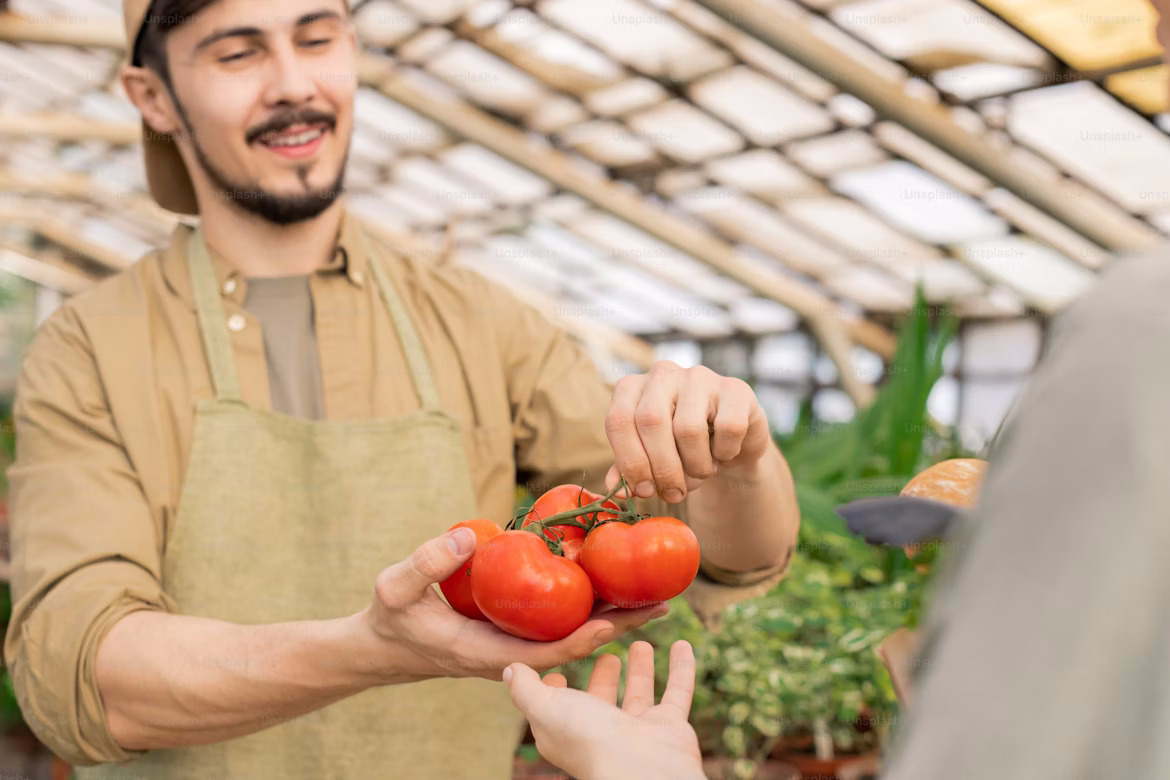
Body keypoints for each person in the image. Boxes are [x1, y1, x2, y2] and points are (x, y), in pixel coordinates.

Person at [2, 1, 801, 778]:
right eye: (238, 53)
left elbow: (710, 552)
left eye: (317, 38)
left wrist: (737, 457)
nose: (292, 83)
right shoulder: (91, 347)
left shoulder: (482, 322)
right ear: (152, 96)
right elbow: (80, 677)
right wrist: (369, 650)